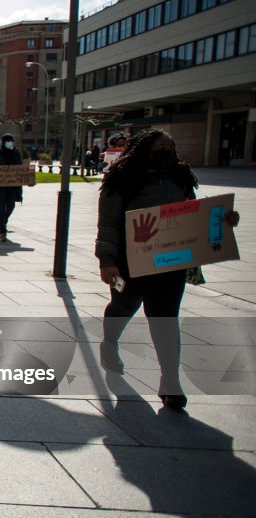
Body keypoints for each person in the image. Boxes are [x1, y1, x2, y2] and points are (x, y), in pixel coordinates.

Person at [95, 128, 239, 411]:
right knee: (123, 305)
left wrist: (224, 220)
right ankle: (109, 343)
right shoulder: (121, 179)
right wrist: (106, 260)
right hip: (129, 262)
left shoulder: (180, 177)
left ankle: (170, 381)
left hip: (171, 263)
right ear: (142, 150)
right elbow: (108, 223)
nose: (165, 154)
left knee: (165, 318)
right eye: (159, 149)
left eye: (169, 149)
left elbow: (194, 213)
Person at [0, 133, 22, 241]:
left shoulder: (16, 154)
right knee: (1, 206)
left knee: (11, 205)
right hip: (0, 186)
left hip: (12, 186)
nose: (10, 143)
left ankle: (3, 221)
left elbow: (21, 168)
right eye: (8, 141)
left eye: (11, 140)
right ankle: (2, 230)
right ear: (3, 142)